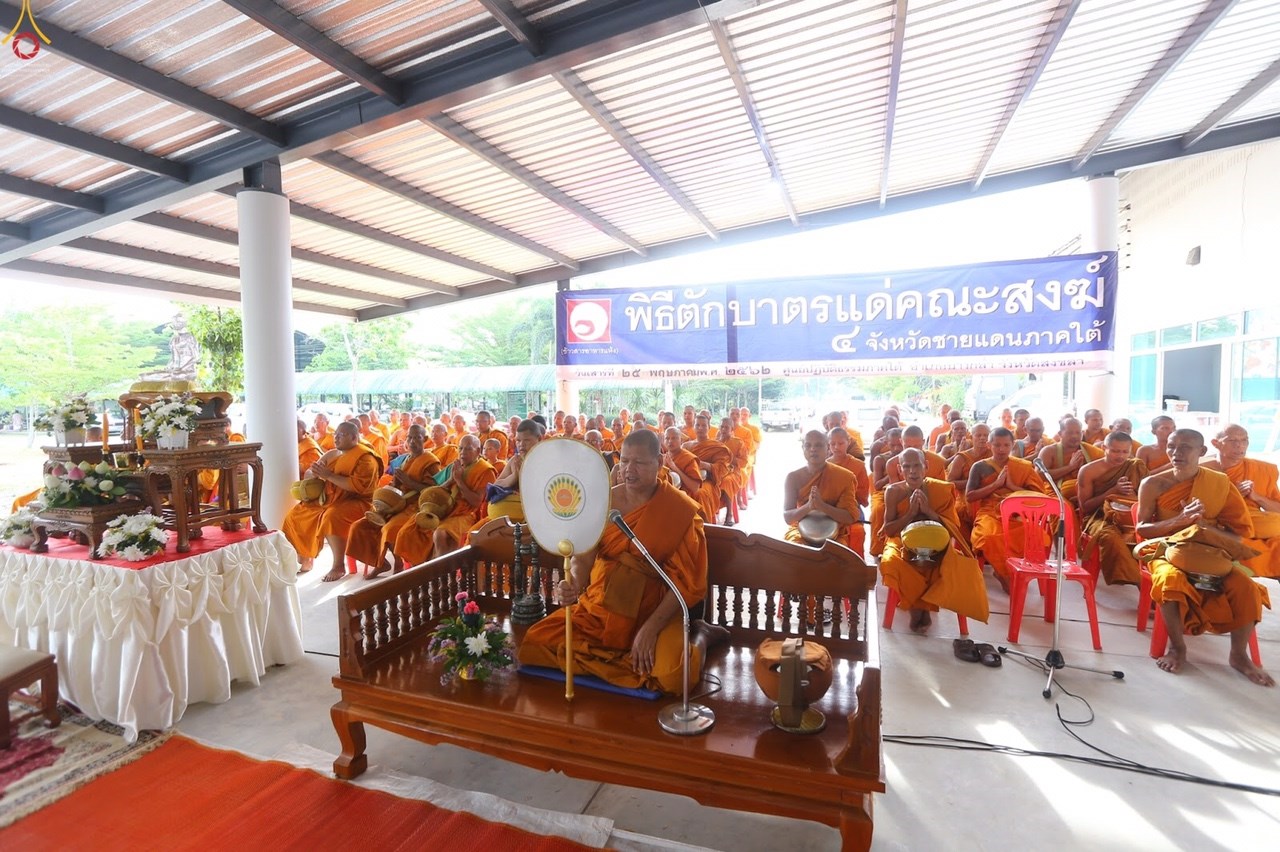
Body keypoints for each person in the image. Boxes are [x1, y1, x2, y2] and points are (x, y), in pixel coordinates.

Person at [517, 428, 708, 693]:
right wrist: (573, 583)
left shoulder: (679, 511)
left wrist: (651, 629)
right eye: (624, 460)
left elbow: (684, 584)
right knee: (534, 644)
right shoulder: (602, 502)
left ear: (660, 462)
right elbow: (583, 559)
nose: (629, 469)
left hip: (653, 612)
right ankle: (617, 660)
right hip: (600, 608)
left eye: (639, 463)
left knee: (675, 675)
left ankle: (701, 636)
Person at [1134, 429, 1271, 685]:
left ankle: (1239, 655)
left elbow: (1239, 535)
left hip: (1210, 552)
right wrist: (1180, 521)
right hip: (1165, 551)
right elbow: (1141, 529)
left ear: (1202, 452)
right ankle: (1177, 648)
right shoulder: (1153, 484)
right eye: (1172, 446)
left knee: (1248, 588)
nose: (1176, 453)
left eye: (1185, 447)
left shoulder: (1219, 484)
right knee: (1169, 581)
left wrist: (1205, 527)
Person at [881, 448, 989, 632]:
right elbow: (889, 530)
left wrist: (929, 512)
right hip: (901, 541)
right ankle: (919, 608)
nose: (912, 471)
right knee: (891, 561)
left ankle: (920, 606)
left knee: (944, 562)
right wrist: (911, 514)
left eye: (917, 466)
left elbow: (953, 527)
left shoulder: (941, 489)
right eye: (906, 467)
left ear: (926, 466)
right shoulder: (893, 491)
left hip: (937, 540)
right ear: (900, 469)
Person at [281, 421, 382, 581]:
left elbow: (358, 487)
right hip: (331, 499)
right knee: (295, 514)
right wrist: (314, 472)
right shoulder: (332, 454)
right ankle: (305, 559)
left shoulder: (365, 458)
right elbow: (309, 473)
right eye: (336, 435)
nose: (336, 438)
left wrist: (329, 476)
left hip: (359, 502)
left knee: (331, 517)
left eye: (341, 435)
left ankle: (338, 565)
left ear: (354, 437)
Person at [345, 425, 440, 578]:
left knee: (390, 528)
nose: (412, 441)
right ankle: (381, 563)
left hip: (415, 506)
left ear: (426, 440)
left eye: (417, 437)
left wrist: (409, 482)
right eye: (409, 437)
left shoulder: (431, 461)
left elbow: (435, 491)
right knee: (360, 526)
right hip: (396, 502)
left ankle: (399, 563)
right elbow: (397, 485)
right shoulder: (405, 459)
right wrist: (394, 485)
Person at [393, 434, 495, 566]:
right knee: (409, 530)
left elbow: (476, 502)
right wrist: (450, 480)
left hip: (466, 514)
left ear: (478, 451)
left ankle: (439, 574)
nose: (463, 452)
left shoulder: (485, 470)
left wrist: (459, 481)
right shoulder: (454, 466)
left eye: (468, 449)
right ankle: (418, 568)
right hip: (444, 509)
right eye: (461, 448)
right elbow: (437, 489)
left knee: (440, 534)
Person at [967, 426, 1048, 590]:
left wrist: (1011, 486)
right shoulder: (980, 467)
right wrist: (996, 485)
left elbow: (1038, 497)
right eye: (997, 445)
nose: (1001, 449)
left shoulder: (1023, 467)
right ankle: (1003, 573)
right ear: (989, 445)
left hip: (1017, 513)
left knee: (1033, 534)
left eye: (1006, 445)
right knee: (989, 537)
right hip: (990, 511)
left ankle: (1015, 570)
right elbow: (970, 496)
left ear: (1013, 445)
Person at [1204, 424, 1280, 578]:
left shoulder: (1262, 469)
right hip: (1223, 528)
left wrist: (1257, 497)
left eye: (1244, 440)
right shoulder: (1203, 470)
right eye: (1232, 440)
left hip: (1258, 527)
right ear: (1215, 443)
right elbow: (1200, 510)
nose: (1239, 445)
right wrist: (1232, 497)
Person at [1077, 431, 1147, 585]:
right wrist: (1112, 492)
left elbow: (1146, 499)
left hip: (1130, 517)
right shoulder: (1088, 471)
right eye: (1115, 451)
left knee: (1150, 536)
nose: (1120, 456)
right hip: (1099, 517)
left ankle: (1150, 583)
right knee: (1110, 537)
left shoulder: (1135, 466)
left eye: (1125, 452)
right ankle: (1141, 583)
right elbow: (1085, 506)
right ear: (1104, 448)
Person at [783, 430, 860, 551]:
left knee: (837, 554)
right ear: (803, 448)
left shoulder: (845, 477)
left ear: (828, 448)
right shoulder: (793, 478)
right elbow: (788, 517)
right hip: (799, 530)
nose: (813, 449)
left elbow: (849, 517)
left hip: (836, 533)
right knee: (796, 550)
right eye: (808, 445)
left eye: (818, 445)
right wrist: (809, 506)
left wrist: (822, 506)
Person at [1037, 417, 1103, 504]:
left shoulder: (1092, 451)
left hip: (1088, 494)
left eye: (1078, 433)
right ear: (1060, 434)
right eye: (1070, 433)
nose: (1074, 436)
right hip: (1056, 494)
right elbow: (1040, 475)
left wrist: (1084, 492)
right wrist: (1070, 467)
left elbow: (1105, 472)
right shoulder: (1049, 451)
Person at [827, 426, 869, 556]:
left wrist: (846, 497)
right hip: (828, 508)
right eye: (832, 444)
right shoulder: (824, 465)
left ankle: (856, 564)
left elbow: (862, 494)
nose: (836, 447)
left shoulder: (858, 465)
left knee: (857, 531)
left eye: (840, 443)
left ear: (848, 442)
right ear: (828, 445)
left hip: (851, 507)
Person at [682, 414, 732, 524]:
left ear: (709, 428)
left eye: (704, 425)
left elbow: (723, 468)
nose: (700, 428)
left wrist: (705, 465)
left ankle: (704, 526)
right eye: (697, 425)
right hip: (686, 479)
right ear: (694, 427)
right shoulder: (686, 446)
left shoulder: (716, 446)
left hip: (708, 480)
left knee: (699, 494)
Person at [663, 426, 715, 522]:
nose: (670, 441)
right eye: (667, 438)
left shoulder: (688, 458)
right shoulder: (663, 458)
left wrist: (675, 468)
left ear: (681, 441)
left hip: (685, 497)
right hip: (668, 494)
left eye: (674, 438)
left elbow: (694, 487)